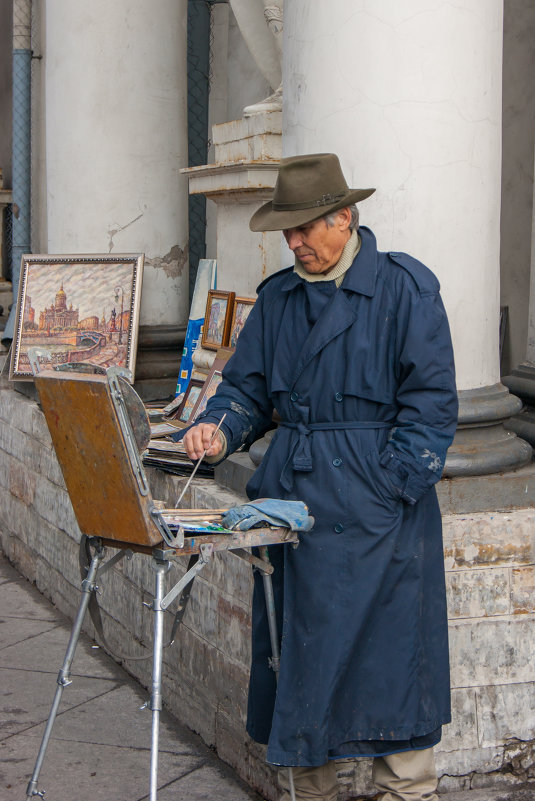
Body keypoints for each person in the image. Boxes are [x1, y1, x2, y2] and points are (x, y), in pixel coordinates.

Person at [181, 153, 458, 801]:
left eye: (305, 227)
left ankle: (404, 790)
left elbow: (431, 405)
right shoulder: (278, 299)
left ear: (344, 217)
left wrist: (392, 485)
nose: (294, 242)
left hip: (381, 507)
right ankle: (310, 788)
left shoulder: (404, 288)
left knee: (392, 657)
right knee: (302, 659)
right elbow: (245, 390)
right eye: (287, 231)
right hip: (297, 503)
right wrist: (219, 428)